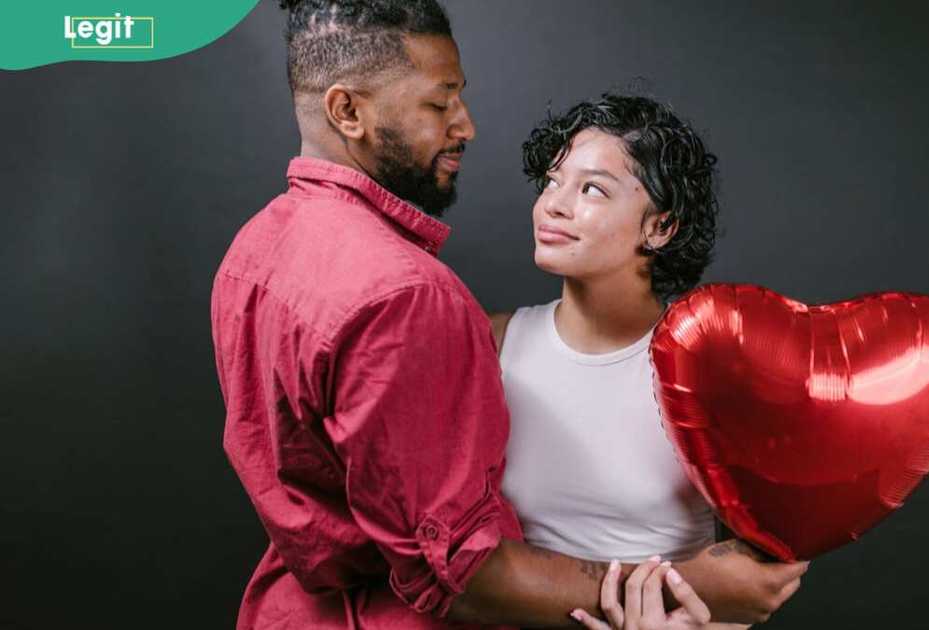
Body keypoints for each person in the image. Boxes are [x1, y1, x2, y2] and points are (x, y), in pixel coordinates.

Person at [211, 1, 805, 628]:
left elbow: (753, 563)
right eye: (438, 104)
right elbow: (461, 574)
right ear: (347, 111)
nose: (465, 126)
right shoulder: (432, 307)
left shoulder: (250, 252)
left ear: (660, 226)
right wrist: (687, 587)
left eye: (593, 188)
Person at [490, 94, 806, 629]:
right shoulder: (492, 342)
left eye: (591, 189)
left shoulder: (710, 369)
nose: (553, 205)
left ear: (660, 227)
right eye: (551, 181)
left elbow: (753, 582)